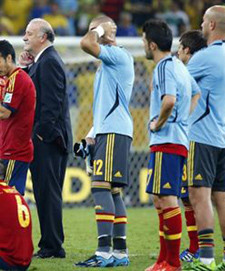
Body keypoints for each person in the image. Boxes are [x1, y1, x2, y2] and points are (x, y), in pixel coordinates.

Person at [184, 6, 225, 271]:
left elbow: (178, 80)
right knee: (222, 197)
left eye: (204, 21)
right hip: (222, 136)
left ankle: (205, 259)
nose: (201, 25)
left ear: (213, 25)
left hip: (202, 136)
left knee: (199, 197)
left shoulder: (205, 57)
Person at [142, 19, 199, 271]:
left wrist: (159, 123)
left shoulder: (164, 67)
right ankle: (162, 260)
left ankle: (172, 263)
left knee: (167, 199)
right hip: (172, 141)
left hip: (167, 140)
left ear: (152, 44)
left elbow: (168, 101)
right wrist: (183, 120)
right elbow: (196, 93)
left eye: (144, 40)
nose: (143, 44)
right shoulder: (178, 65)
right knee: (158, 198)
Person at [76, 15, 134, 267]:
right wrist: (91, 134)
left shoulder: (117, 55)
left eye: (96, 30)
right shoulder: (109, 61)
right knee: (113, 191)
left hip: (113, 131)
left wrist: (98, 29)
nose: (94, 34)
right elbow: (105, 105)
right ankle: (119, 253)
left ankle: (103, 252)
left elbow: (85, 44)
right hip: (107, 130)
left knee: (100, 187)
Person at [19, 18, 72, 259]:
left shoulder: (49, 62)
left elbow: (51, 103)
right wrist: (26, 68)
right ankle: (50, 243)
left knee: (47, 192)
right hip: (48, 138)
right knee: (44, 191)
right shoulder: (44, 61)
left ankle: (52, 246)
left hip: (48, 139)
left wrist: (41, 133)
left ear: (43, 37)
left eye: (29, 33)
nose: (24, 37)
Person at [0, 40, 36, 194]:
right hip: (10, 148)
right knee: (9, 197)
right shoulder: (11, 80)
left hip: (15, 150)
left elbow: (3, 113)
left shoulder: (17, 80)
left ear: (9, 58)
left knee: (8, 197)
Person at [176, 29, 206, 264]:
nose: (177, 52)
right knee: (190, 197)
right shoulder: (205, 70)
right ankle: (198, 247)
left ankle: (198, 248)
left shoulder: (190, 72)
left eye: (179, 48)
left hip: (193, 138)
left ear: (187, 50)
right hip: (202, 138)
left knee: (192, 197)